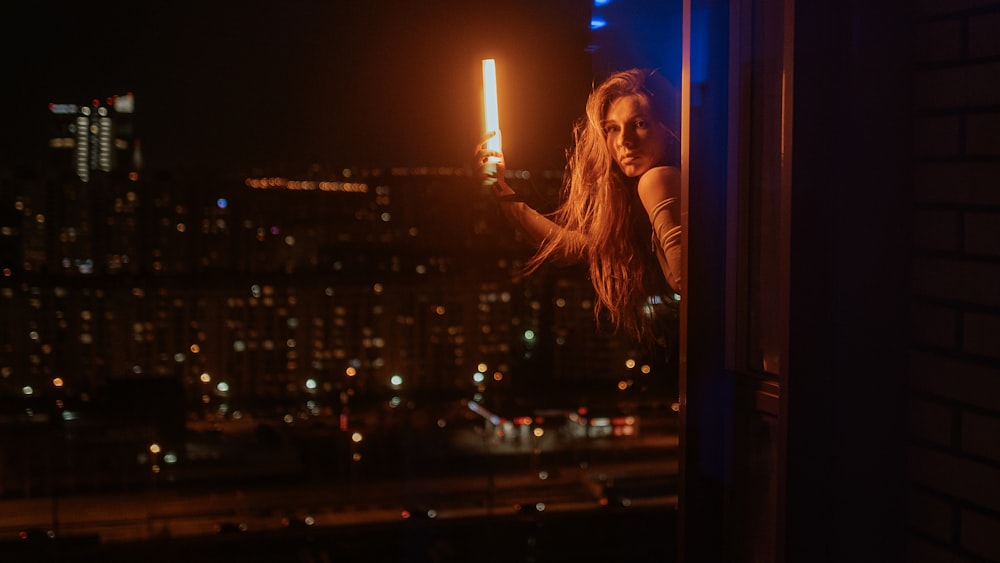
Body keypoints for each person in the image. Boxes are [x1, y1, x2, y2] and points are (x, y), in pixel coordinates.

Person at [476, 68, 681, 346]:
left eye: (640, 123)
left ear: (668, 129)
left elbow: (690, 285)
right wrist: (502, 191)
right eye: (612, 128)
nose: (624, 141)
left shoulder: (658, 180)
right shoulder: (654, 185)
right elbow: (578, 247)